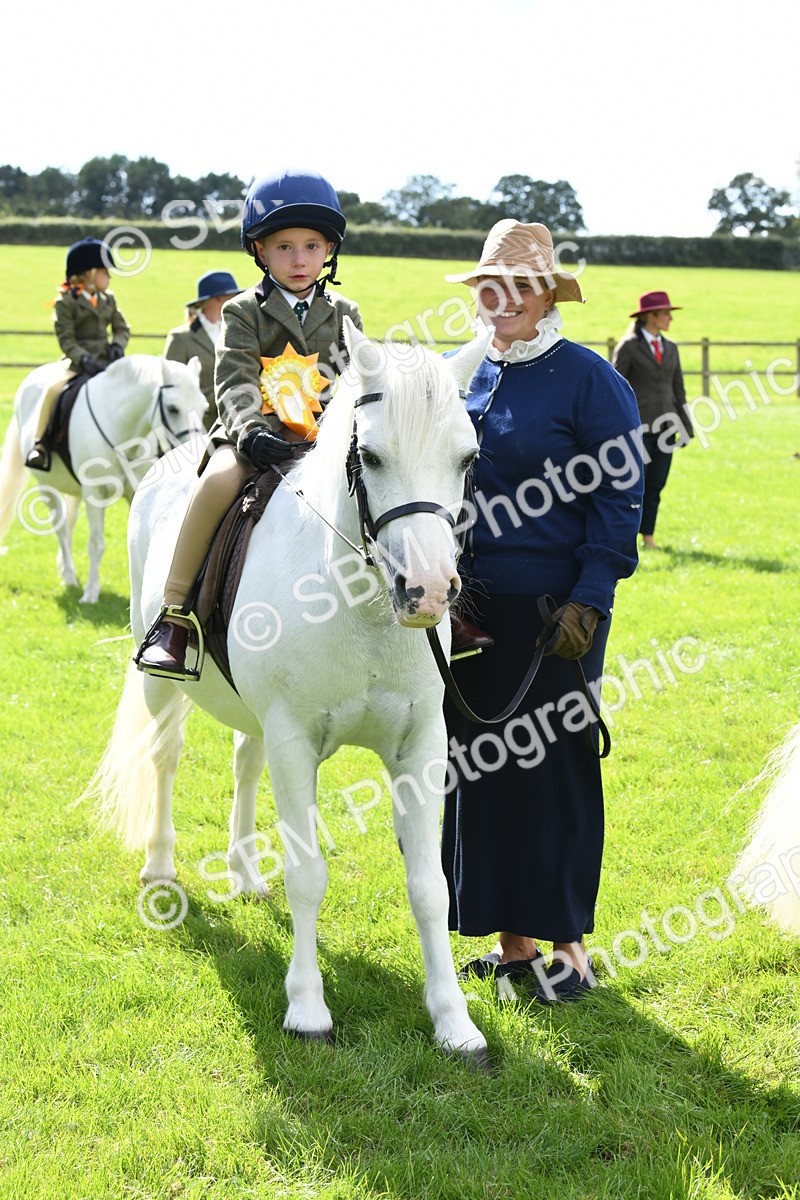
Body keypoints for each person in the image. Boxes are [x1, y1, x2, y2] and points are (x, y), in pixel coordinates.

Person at [440, 220, 644, 1001]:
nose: (504, 302)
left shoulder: (591, 381)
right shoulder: (474, 378)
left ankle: (570, 952)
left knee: (554, 773)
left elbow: (618, 497)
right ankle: (513, 947)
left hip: (559, 615)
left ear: (548, 294)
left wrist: (593, 599)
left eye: (521, 287)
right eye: (492, 287)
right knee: (481, 772)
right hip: (472, 612)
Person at [135, 170, 363, 678]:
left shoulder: (346, 312)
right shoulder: (241, 311)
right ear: (260, 251)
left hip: (324, 441)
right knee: (216, 483)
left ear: (330, 249)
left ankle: (435, 608)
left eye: (311, 245)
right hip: (254, 439)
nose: (299, 259)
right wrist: (250, 430)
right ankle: (174, 617)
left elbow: (354, 381)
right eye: (284, 247)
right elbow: (234, 380)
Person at [26, 237, 131, 470]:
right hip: (76, 363)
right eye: (105, 271)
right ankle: (40, 444)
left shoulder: (108, 299)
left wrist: (118, 345)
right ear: (90, 273)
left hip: (107, 360)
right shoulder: (66, 302)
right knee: (52, 390)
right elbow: (66, 338)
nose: (110, 277)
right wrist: (82, 358)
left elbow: (122, 328)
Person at [612, 291, 694, 550]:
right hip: (637, 429)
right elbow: (615, 388)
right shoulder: (629, 346)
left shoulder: (671, 348)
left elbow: (678, 389)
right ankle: (625, 538)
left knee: (657, 483)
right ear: (651, 316)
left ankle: (648, 536)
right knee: (636, 485)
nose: (670, 318)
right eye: (665, 313)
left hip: (667, 427)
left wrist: (687, 425)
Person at [164, 271, 241, 431]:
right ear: (217, 299)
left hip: (237, 421)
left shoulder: (239, 331)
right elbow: (171, 388)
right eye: (232, 296)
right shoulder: (180, 338)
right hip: (196, 427)